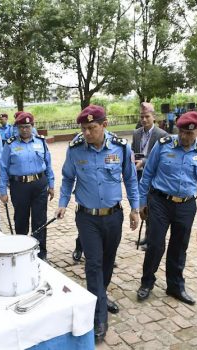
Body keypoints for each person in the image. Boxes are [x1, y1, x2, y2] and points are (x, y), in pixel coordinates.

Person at [55, 105, 140, 343]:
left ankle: (100, 295)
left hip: (114, 215)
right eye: (84, 128)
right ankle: (99, 317)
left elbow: (131, 180)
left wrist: (135, 209)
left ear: (104, 125)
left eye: (92, 128)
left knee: (108, 261)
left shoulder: (121, 148)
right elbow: (68, 178)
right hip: (87, 217)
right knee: (93, 264)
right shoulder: (75, 150)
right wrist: (63, 202)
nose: (87, 133)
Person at [136, 111, 197, 305]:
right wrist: (142, 202)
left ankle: (175, 285)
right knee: (155, 245)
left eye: (190, 133)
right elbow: (148, 174)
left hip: (186, 205)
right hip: (160, 202)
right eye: (181, 132)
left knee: (179, 247)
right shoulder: (163, 145)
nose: (185, 137)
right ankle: (147, 282)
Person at [0, 112, 55, 260]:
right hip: (19, 186)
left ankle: (40, 253)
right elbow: (3, 167)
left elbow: (48, 164)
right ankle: (22, 251)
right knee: (21, 220)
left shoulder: (41, 142)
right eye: (22, 127)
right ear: (17, 128)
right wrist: (2, 190)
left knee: (40, 220)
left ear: (32, 126)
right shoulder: (10, 144)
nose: (25, 130)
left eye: (27, 126)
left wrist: (51, 184)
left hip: (39, 184)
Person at [130, 102, 169, 250]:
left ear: (154, 117)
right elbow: (133, 151)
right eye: (142, 117)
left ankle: (152, 239)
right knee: (143, 205)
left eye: (147, 116)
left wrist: (144, 162)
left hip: (154, 176)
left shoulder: (161, 134)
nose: (144, 120)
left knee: (153, 207)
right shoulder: (136, 133)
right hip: (139, 175)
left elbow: (161, 158)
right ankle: (147, 237)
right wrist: (132, 160)